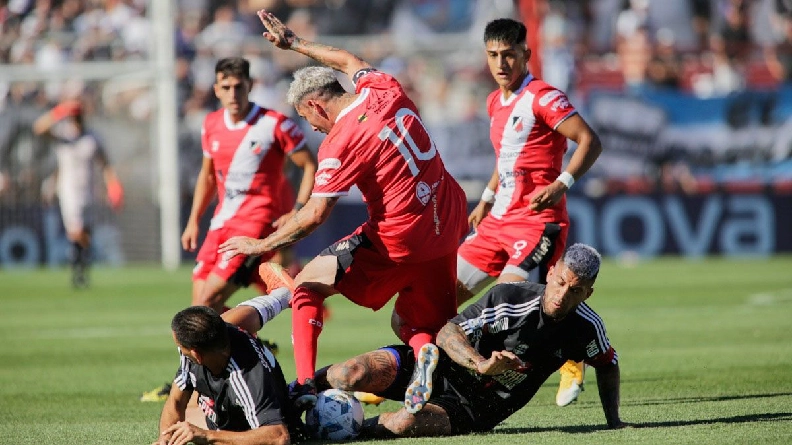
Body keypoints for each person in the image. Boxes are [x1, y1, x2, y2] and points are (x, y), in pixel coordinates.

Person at [219, 9, 468, 414]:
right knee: (413, 325)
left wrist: (260, 243)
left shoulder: (341, 141)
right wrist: (295, 43)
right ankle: (425, 353)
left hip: (400, 237)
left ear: (316, 106)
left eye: (307, 119)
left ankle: (302, 385)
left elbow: (316, 214)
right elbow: (348, 60)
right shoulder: (383, 87)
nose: (312, 129)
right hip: (447, 220)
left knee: (306, 288)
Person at [314, 243, 628, 437]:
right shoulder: (510, 297)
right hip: (441, 366)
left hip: (477, 406)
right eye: (560, 283)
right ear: (550, 273)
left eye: (575, 291)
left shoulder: (586, 327)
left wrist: (614, 421)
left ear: (588, 293)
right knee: (348, 374)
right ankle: (295, 393)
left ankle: (342, 432)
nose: (562, 295)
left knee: (404, 424)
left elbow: (607, 364)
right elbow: (449, 332)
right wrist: (479, 363)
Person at [454, 17, 603, 407]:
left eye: (509, 55)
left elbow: (589, 141)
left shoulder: (544, 97)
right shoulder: (493, 101)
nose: (501, 63)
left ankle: (574, 358)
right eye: (493, 56)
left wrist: (561, 184)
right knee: (439, 296)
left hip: (537, 224)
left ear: (526, 54)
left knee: (510, 306)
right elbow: (505, 157)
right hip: (497, 221)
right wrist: (486, 197)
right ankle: (426, 365)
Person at [182, 56, 317, 314]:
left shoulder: (275, 124)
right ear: (216, 89)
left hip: (254, 222)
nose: (233, 94)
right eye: (226, 87)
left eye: (239, 86)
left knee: (206, 302)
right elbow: (207, 176)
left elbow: (309, 164)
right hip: (221, 221)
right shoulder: (211, 124)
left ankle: (254, 341)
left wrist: (297, 210)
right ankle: (255, 344)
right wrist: (193, 220)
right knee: (200, 309)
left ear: (250, 85)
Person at [153, 305, 305, 445]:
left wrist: (207, 435)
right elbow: (176, 400)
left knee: (195, 430)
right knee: (185, 425)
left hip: (252, 426)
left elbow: (279, 436)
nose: (180, 350)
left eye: (181, 347)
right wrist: (165, 437)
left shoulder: (244, 376)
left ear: (196, 355)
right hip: (221, 411)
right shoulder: (210, 339)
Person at [32, 99, 124, 288]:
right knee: (76, 231)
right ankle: (78, 269)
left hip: (89, 191)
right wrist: (58, 112)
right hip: (69, 191)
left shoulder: (92, 138)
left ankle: (80, 267)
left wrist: (113, 186)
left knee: (86, 234)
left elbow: (105, 164)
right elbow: (38, 128)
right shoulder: (63, 136)